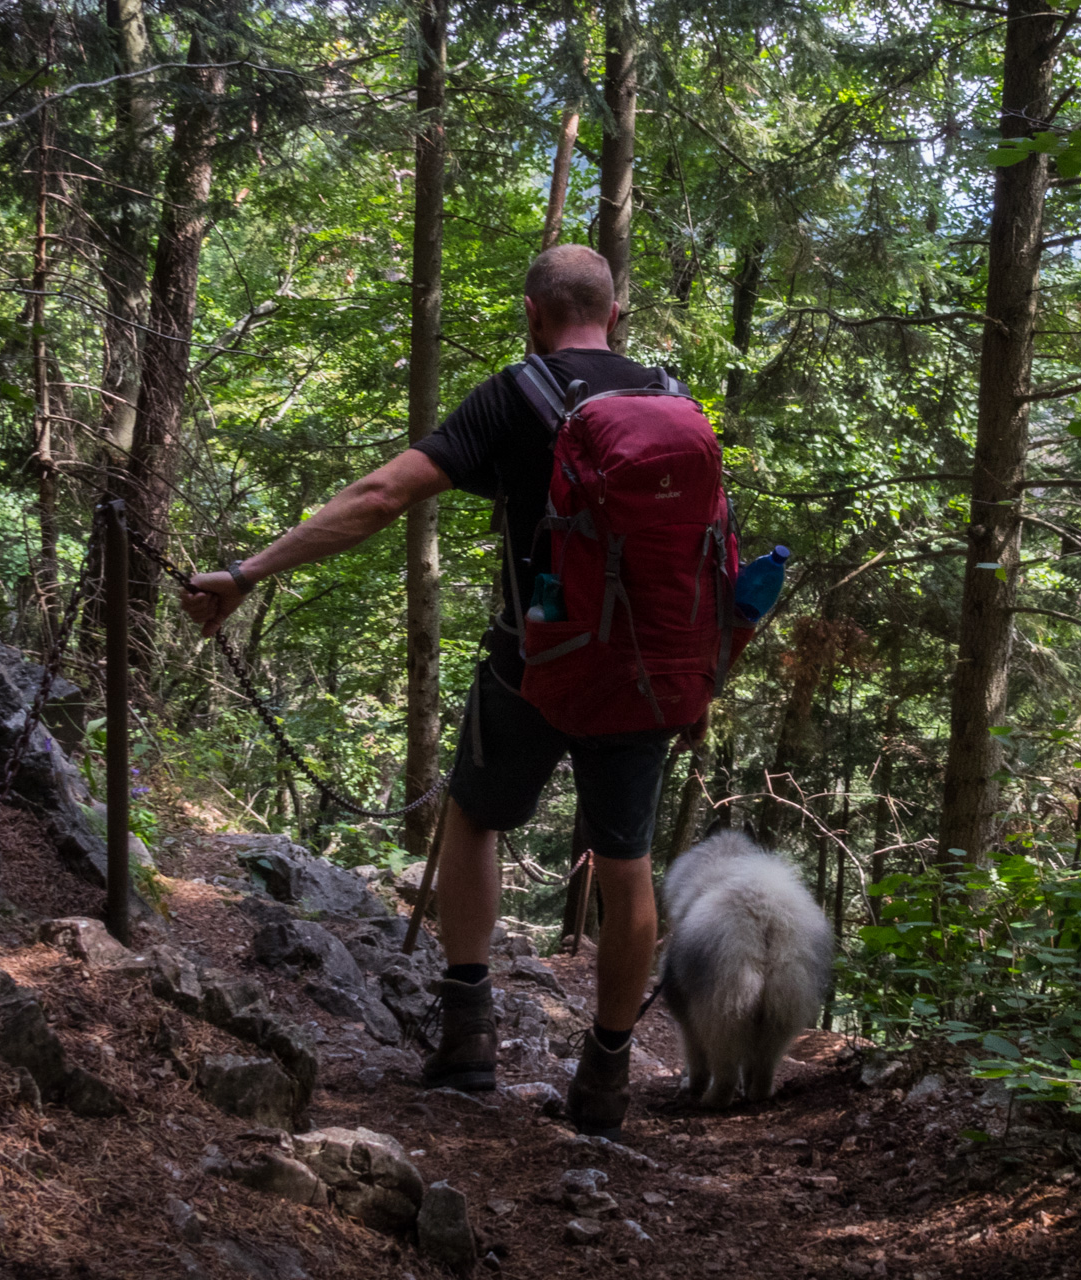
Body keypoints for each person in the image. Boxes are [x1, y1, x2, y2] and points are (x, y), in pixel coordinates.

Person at [179, 244, 701, 1137]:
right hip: (648, 676)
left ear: (533, 315)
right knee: (627, 866)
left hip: (531, 666)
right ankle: (605, 1086)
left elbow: (384, 496)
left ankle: (468, 1040)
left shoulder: (519, 393)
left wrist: (247, 572)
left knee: (474, 818)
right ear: (614, 314)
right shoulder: (673, 400)